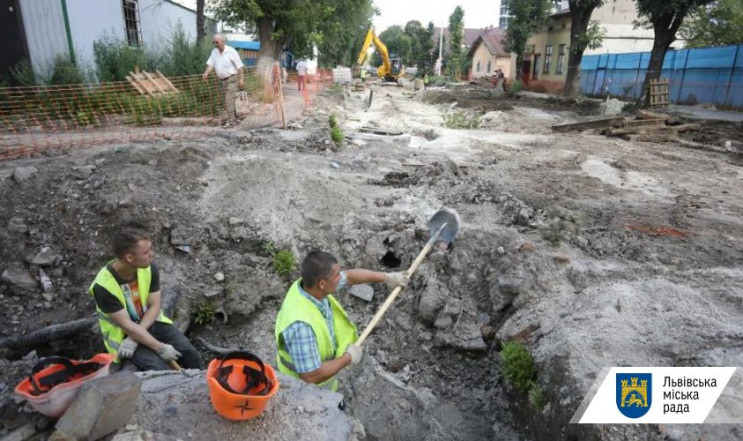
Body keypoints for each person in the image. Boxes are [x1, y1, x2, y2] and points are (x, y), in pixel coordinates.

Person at [275, 251, 408, 391]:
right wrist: (348, 358)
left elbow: (350, 277)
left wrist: (386, 277)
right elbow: (310, 376)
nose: (341, 277)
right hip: (303, 393)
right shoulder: (301, 327)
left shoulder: (309, 287)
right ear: (322, 283)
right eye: (337, 275)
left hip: (321, 381)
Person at [89, 229, 202, 371]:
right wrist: (160, 348)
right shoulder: (103, 287)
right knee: (159, 369)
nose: (152, 254)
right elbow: (126, 325)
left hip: (149, 322)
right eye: (146, 252)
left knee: (189, 353)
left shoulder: (148, 268)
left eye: (151, 249)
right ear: (129, 258)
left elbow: (154, 306)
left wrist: (136, 337)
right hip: (123, 336)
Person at [202, 34, 244, 129]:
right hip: (222, 81)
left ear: (223, 41)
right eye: (214, 42)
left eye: (217, 42)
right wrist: (206, 73)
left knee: (228, 100)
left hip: (232, 79)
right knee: (228, 101)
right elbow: (210, 64)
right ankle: (235, 118)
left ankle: (231, 122)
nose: (215, 44)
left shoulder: (231, 51)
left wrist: (241, 79)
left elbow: (240, 67)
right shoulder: (214, 52)